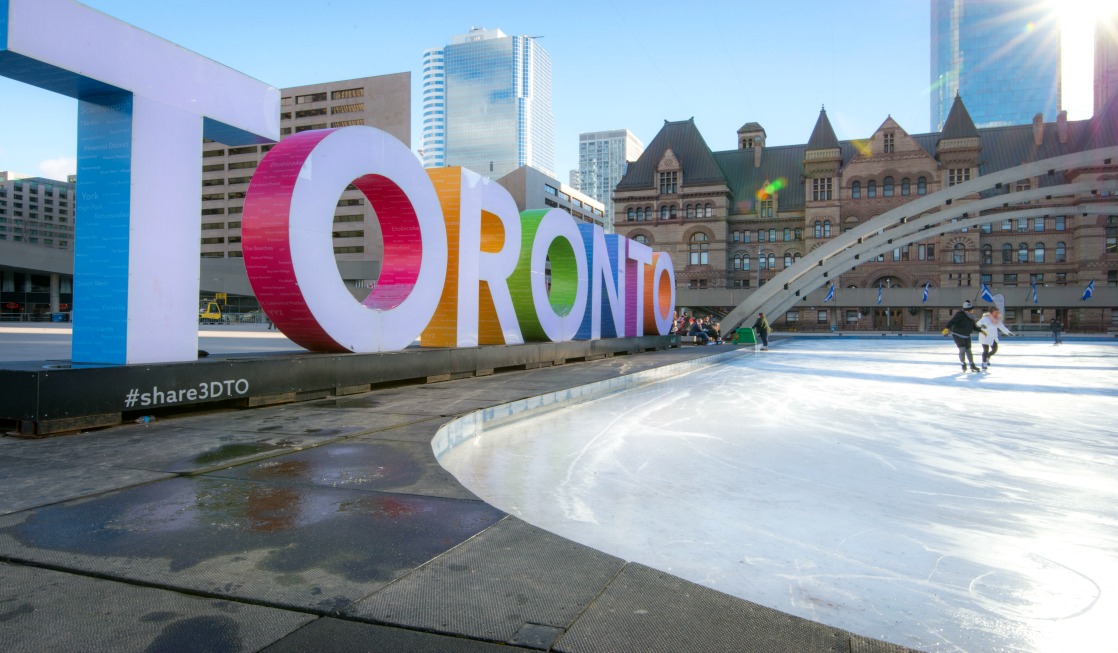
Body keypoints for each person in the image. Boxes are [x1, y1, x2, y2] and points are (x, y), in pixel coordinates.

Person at [942, 300, 985, 372]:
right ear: (968, 310)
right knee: (962, 349)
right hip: (958, 335)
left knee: (969, 351)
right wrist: (947, 328)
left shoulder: (970, 317)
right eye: (971, 309)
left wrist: (981, 331)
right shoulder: (960, 315)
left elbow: (973, 327)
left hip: (967, 335)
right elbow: (952, 322)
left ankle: (972, 365)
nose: (972, 311)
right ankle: (963, 364)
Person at [976, 307, 1013, 371]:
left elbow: (1002, 327)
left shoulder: (998, 320)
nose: (997, 314)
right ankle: (984, 363)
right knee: (986, 350)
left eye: (998, 312)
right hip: (985, 336)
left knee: (994, 349)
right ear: (991, 313)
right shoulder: (985, 318)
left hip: (993, 337)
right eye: (995, 312)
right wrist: (982, 325)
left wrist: (1008, 332)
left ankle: (987, 357)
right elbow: (978, 323)